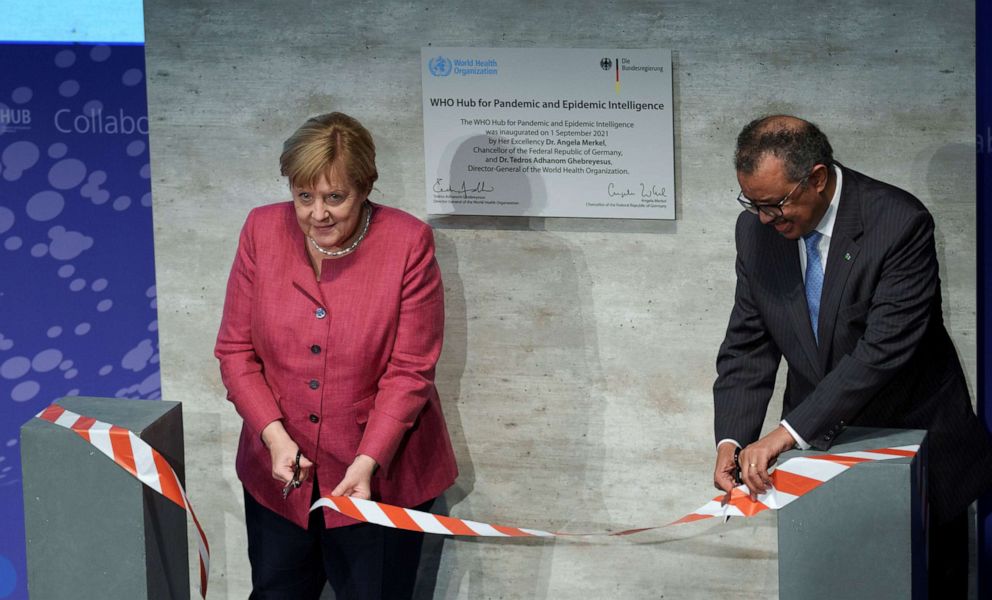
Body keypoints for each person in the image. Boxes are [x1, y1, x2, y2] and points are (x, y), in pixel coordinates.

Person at [712, 115, 992, 596]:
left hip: (917, 454)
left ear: (817, 178)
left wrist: (785, 433)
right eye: (752, 204)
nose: (764, 219)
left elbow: (881, 351)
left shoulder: (898, 223)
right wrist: (731, 441)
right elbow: (748, 343)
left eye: (775, 204)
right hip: (821, 461)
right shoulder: (756, 234)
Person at [215, 112, 458, 599]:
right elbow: (235, 351)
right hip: (280, 472)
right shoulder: (261, 230)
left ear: (366, 186)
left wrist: (368, 459)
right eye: (304, 196)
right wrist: (273, 436)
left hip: (379, 477)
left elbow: (410, 371)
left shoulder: (408, 243)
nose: (317, 214)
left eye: (335, 197)